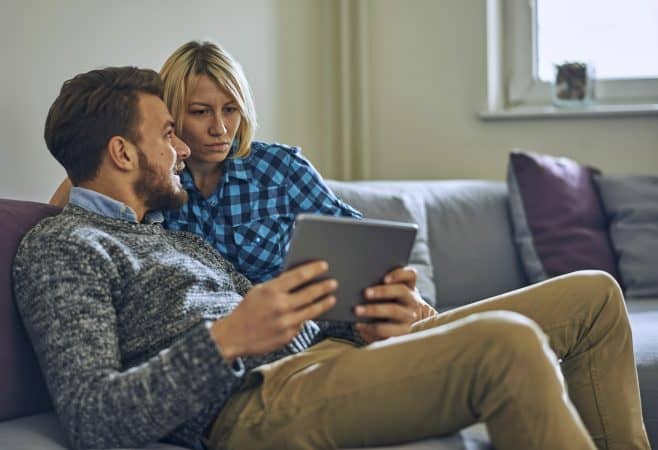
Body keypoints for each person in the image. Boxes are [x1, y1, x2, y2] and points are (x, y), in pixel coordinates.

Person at [14, 66, 650, 450]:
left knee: (591, 296)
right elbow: (93, 417)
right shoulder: (64, 247)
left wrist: (369, 317)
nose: (185, 147)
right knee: (503, 343)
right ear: (124, 154)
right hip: (258, 404)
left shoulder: (171, 230)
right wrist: (228, 340)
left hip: (328, 358)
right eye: (169, 133)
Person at [49, 40, 361, 285]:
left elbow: (359, 241)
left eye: (231, 110)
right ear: (170, 112)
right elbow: (83, 185)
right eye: (200, 112)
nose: (220, 128)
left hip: (289, 323)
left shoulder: (281, 168)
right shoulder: (153, 182)